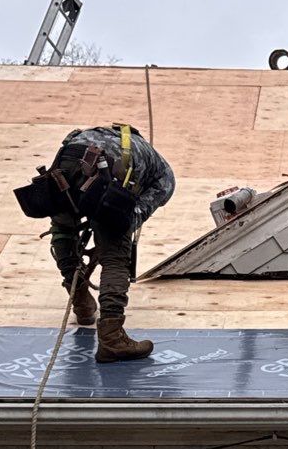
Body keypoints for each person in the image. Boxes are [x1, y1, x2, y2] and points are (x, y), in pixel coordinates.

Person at [13, 124, 175, 362]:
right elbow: (131, 219)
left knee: (63, 225)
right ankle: (112, 337)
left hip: (69, 161)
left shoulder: (100, 135)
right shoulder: (164, 178)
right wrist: (112, 233)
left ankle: (81, 301)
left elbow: (65, 216)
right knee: (116, 256)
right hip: (108, 173)